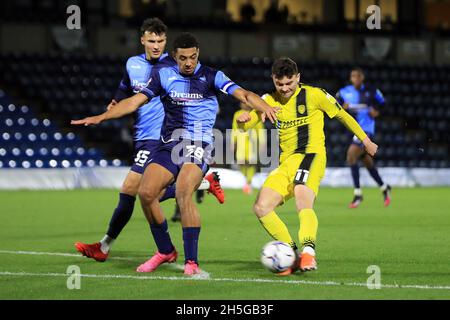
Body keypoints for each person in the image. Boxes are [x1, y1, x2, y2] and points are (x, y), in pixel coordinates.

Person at [71, 32, 278, 276]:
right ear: (175, 57)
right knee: (147, 194)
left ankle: (191, 261)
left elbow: (243, 94)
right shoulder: (164, 75)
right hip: (168, 144)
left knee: (182, 192)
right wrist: (102, 116)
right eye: (182, 58)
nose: (188, 63)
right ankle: (165, 251)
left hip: (197, 143)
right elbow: (135, 101)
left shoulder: (212, 75)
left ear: (197, 54)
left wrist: (262, 105)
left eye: (192, 57)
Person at [73, 19, 224, 263]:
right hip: (142, 135)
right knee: (146, 192)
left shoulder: (172, 66)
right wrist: (113, 104)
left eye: (161, 41)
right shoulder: (132, 64)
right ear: (142, 39)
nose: (156, 46)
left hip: (161, 137)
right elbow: (125, 91)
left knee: (131, 190)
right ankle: (204, 183)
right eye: (151, 40)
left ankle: (106, 246)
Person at [237, 58, 378, 274]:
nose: (285, 89)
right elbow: (251, 122)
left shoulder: (314, 95)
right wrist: (243, 121)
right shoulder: (268, 100)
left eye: (289, 83)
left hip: (311, 155)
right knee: (261, 207)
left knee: (302, 196)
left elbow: (343, 115)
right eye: (280, 84)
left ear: (298, 78)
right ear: (273, 80)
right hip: (286, 162)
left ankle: (308, 254)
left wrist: (366, 141)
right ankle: (292, 254)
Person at [335, 67, 391, 208]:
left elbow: (384, 103)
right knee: (366, 161)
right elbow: (333, 106)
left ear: (362, 77)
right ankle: (384, 188)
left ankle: (358, 194)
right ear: (350, 78)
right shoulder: (344, 92)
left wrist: (377, 111)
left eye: (358, 76)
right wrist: (342, 107)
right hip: (352, 130)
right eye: (353, 76)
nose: (356, 79)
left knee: (351, 156)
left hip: (366, 130)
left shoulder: (372, 90)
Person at [231, 102, 266, 194]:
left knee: (251, 162)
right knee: (242, 162)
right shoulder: (237, 114)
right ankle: (246, 180)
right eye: (242, 103)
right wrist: (233, 141)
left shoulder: (254, 113)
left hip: (252, 140)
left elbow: (260, 129)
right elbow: (234, 128)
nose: (243, 104)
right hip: (241, 140)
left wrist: (262, 142)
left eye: (245, 103)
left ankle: (248, 182)